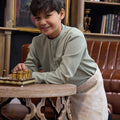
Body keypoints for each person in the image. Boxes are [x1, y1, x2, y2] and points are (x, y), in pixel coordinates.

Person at [13, 0, 108, 119]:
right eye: (38, 18)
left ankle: (105, 110)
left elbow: (64, 75)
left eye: (48, 16)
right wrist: (24, 69)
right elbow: (31, 66)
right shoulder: (37, 41)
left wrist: (31, 76)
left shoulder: (75, 36)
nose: (42, 22)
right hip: (63, 89)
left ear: (61, 14)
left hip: (87, 87)